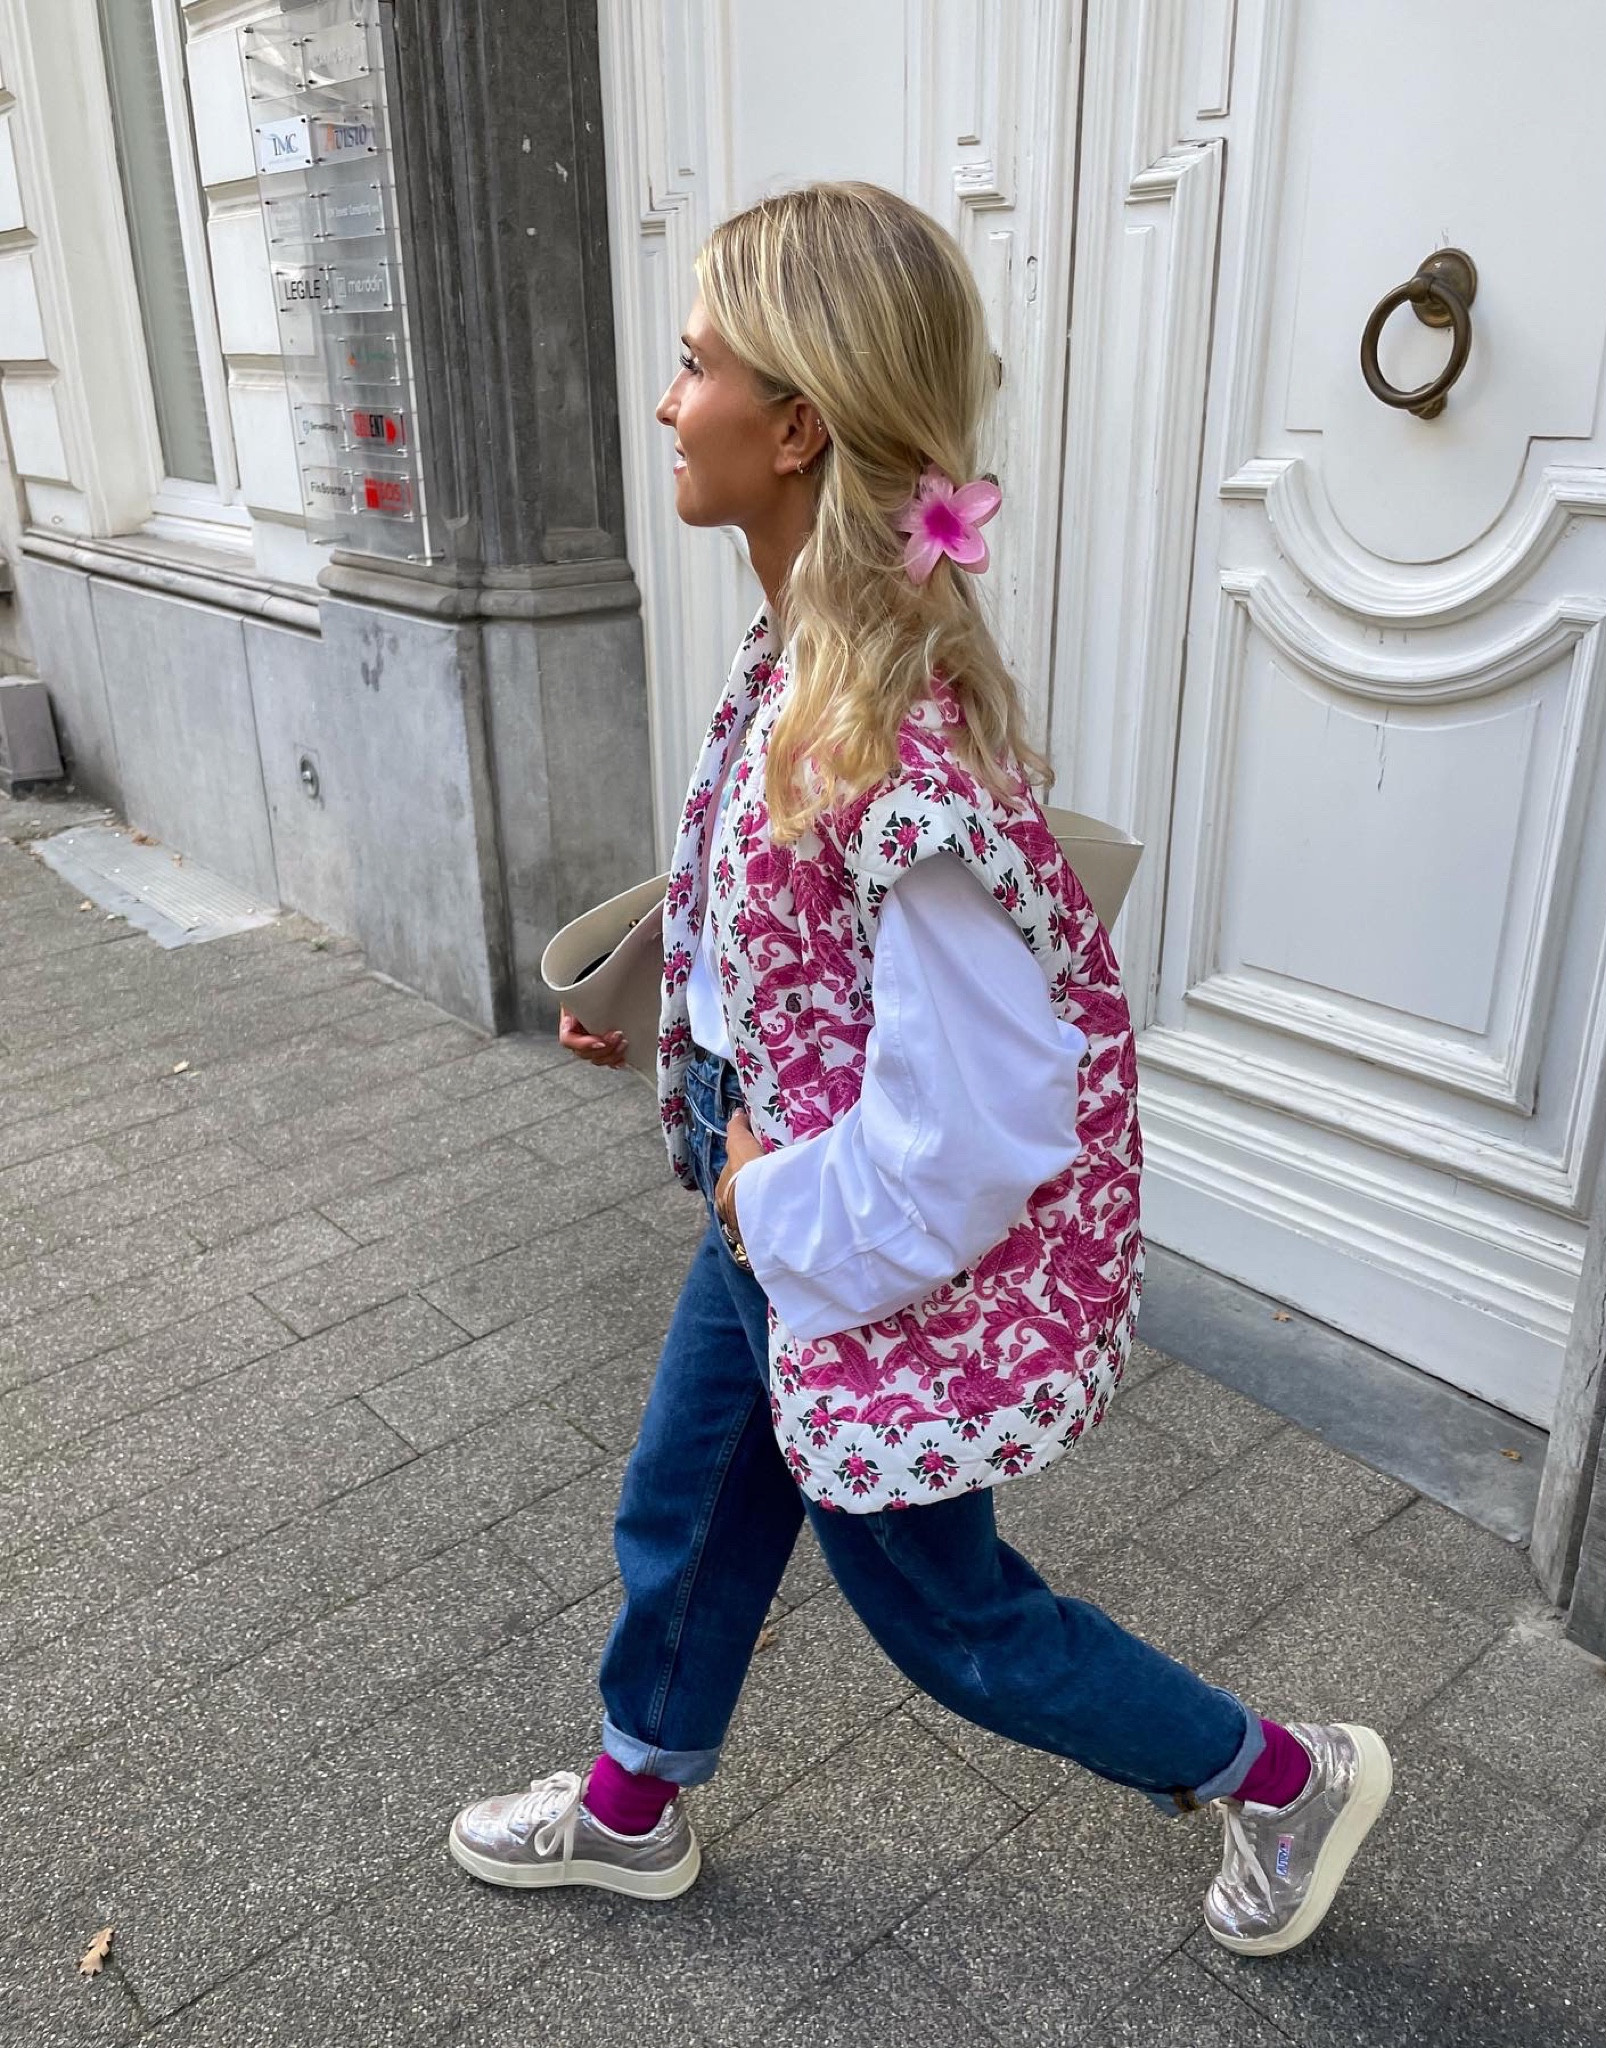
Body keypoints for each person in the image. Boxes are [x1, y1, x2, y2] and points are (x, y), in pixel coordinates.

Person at [447, 181, 1391, 1957]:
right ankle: (636, 1800)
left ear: (792, 422)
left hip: (830, 1233)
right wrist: (672, 994)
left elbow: (979, 1119)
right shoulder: (810, 661)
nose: (666, 403)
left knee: (946, 1616)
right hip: (778, 1200)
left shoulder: (893, 749)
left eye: (692, 363)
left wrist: (762, 1191)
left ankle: (1277, 1776)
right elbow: (793, 914)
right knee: (690, 1496)